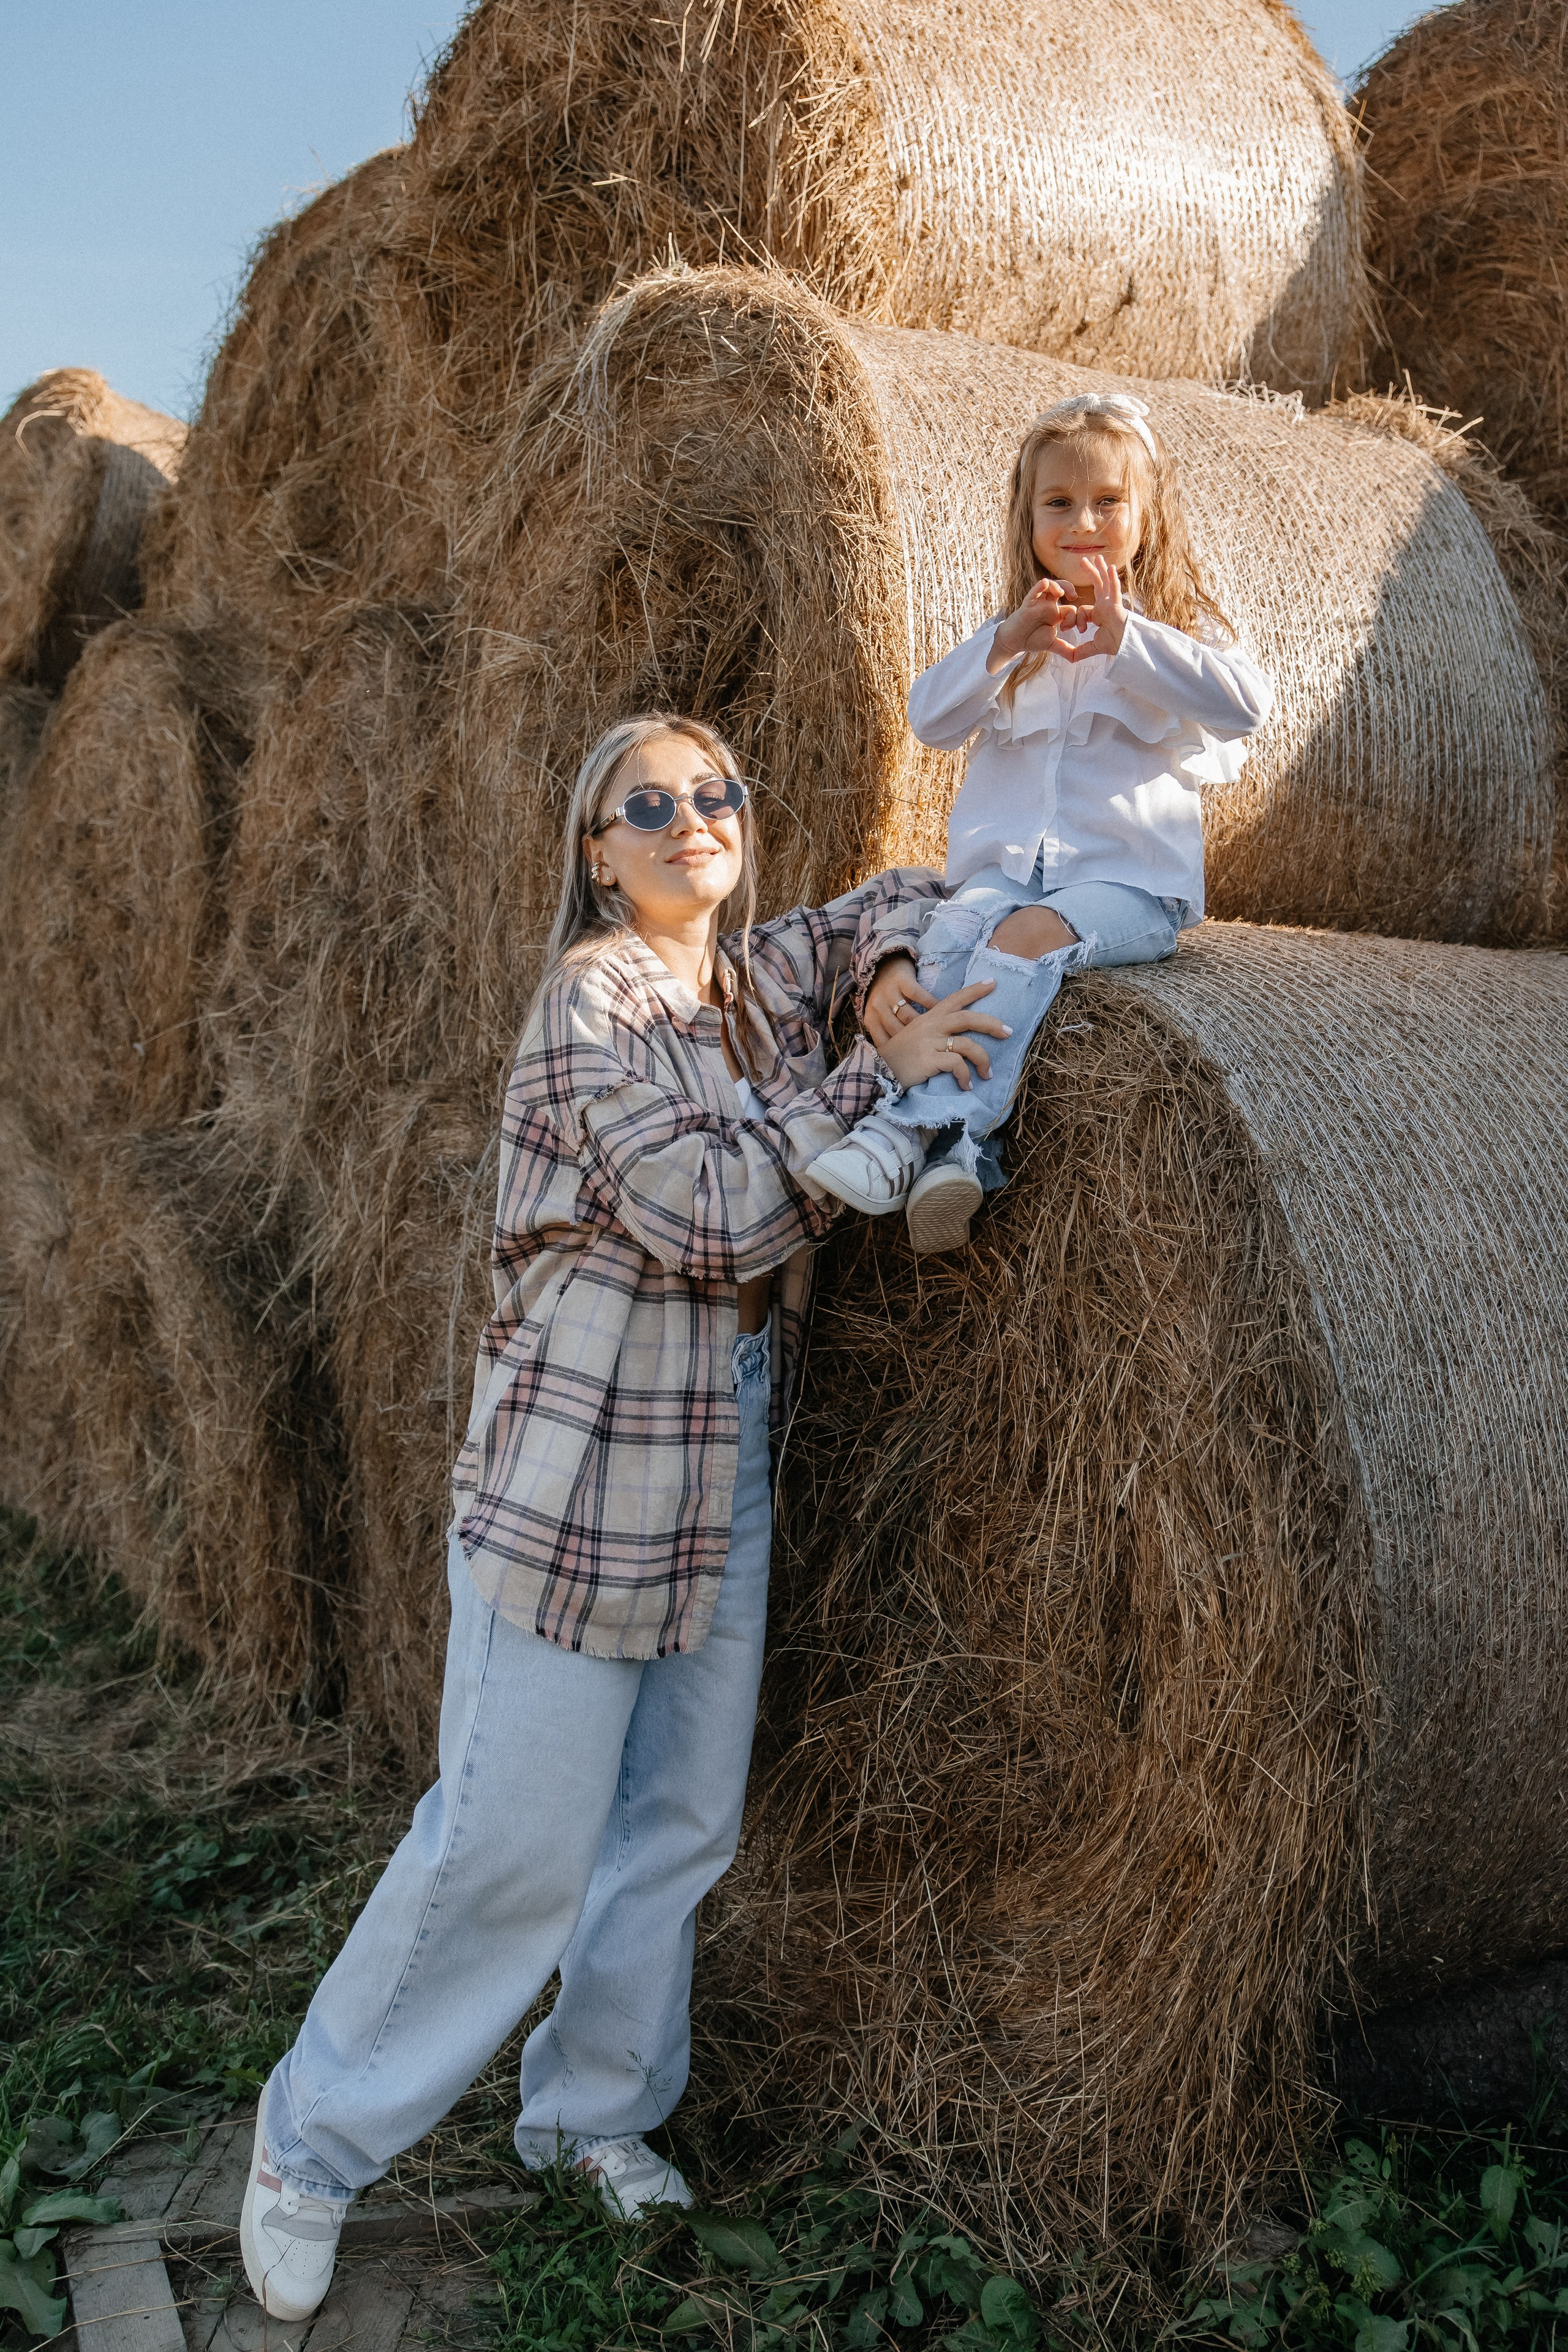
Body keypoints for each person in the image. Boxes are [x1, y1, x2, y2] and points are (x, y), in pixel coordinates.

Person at [238, 712, 1005, 2321]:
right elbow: (708, 1209)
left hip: (723, 1447)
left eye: (712, 793)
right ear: (596, 855)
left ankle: (587, 2113)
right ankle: (310, 2143)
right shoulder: (592, 1004)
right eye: (643, 805)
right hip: (579, 1474)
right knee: (509, 1841)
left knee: (677, 1822)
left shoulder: (750, 984)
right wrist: (879, 1073)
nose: (687, 818)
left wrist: (875, 981)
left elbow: (915, 889)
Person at [809, 391, 1275, 1253]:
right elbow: (930, 717)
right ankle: (957, 1147)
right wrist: (1005, 644)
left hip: (1132, 888)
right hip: (1009, 870)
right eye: (1058, 503)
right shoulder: (1015, 638)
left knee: (1024, 934)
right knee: (951, 937)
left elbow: (1247, 704)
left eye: (1107, 502)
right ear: (1027, 519)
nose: (1082, 520)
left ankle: (901, 1131)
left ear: (1146, 516)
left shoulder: (1174, 631)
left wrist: (1125, 640)